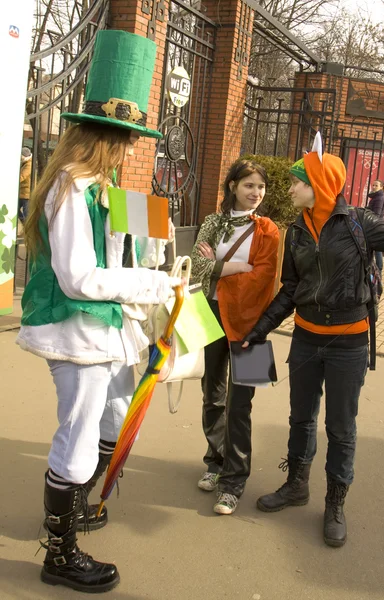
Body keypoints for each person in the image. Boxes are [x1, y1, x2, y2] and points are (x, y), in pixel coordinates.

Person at [16, 31, 181, 594]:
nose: (134, 150)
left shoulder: (97, 187)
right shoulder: (71, 186)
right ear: (104, 138)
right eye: (128, 139)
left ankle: (76, 512)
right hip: (76, 332)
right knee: (79, 439)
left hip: (102, 332)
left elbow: (127, 246)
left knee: (108, 418)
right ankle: (59, 555)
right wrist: (153, 283)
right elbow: (80, 279)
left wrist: (154, 249)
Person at [243, 134, 384, 547]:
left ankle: (335, 503)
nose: (291, 187)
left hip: (349, 344)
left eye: (298, 180)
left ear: (319, 185)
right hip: (306, 340)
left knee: (341, 427)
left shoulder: (359, 223)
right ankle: (296, 485)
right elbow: (291, 289)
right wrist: (259, 329)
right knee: (301, 418)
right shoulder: (296, 231)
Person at [191, 159, 279, 515]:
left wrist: (222, 268)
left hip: (254, 323)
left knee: (242, 404)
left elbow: (264, 278)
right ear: (232, 187)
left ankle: (234, 482)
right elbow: (197, 265)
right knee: (212, 392)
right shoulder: (213, 222)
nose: (255, 193)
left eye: (260, 186)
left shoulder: (269, 230)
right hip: (209, 313)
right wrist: (238, 267)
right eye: (248, 186)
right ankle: (215, 461)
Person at [367, 179, 384, 293]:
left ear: (381, 187)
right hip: (376, 227)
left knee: (377, 251)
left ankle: (378, 276)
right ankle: (377, 274)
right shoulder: (376, 197)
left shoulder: (379, 198)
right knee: (377, 250)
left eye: (376, 185)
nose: (374, 186)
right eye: (373, 185)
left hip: (376, 228)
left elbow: (376, 215)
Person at [18, 147, 32, 223]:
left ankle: (26, 228)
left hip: (26, 192)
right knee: (22, 211)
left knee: (26, 213)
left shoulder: (28, 165)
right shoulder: (25, 163)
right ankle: (25, 228)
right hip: (24, 191)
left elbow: (22, 176)